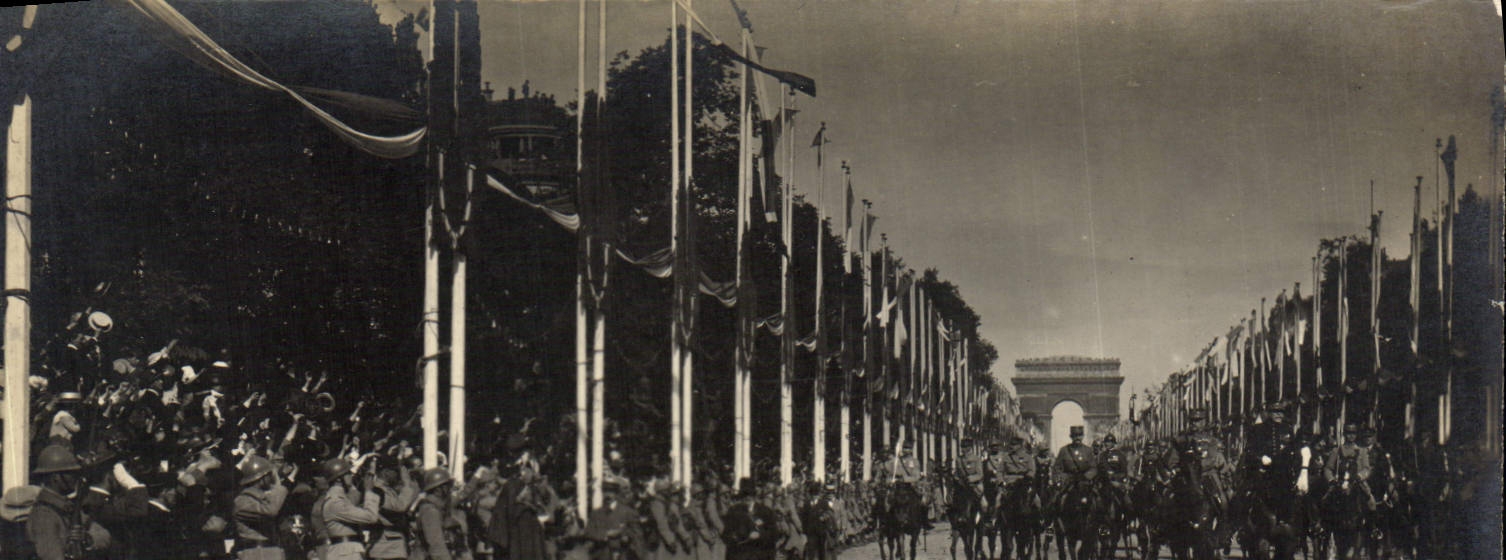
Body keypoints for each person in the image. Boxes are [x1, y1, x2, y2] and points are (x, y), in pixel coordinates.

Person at [28, 445, 90, 560]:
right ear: (56, 477)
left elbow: (103, 534)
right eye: (70, 473)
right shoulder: (44, 515)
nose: (75, 478)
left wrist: (87, 538)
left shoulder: (67, 507)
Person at [311, 458, 380, 560]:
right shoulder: (335, 502)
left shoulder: (341, 498)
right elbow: (371, 517)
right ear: (339, 479)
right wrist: (369, 492)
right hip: (345, 553)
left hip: (347, 551)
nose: (351, 476)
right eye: (347, 473)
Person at [232, 455, 288, 560]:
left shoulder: (264, 498)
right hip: (256, 553)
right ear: (263, 478)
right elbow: (270, 511)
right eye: (269, 475)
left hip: (269, 551)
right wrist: (278, 486)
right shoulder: (242, 501)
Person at [366, 455, 417, 560]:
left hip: (391, 547)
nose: (398, 475)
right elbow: (400, 507)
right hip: (386, 548)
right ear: (386, 472)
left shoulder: (387, 490)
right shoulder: (378, 491)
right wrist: (407, 484)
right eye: (395, 471)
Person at [411, 468, 464, 560]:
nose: (450, 489)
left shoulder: (439, 508)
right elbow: (436, 546)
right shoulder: (430, 510)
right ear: (439, 489)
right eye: (448, 486)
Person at [1323, 424, 1375, 512]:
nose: (1351, 436)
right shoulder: (1337, 451)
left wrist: (1360, 476)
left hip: (1357, 481)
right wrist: (1331, 479)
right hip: (1339, 481)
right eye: (1348, 433)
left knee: (1370, 502)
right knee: (1325, 501)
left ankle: (1371, 524)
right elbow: (1328, 468)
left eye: (1353, 433)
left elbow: (1367, 468)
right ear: (1344, 434)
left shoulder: (1362, 451)